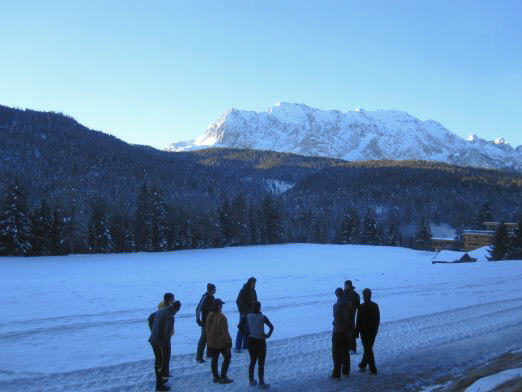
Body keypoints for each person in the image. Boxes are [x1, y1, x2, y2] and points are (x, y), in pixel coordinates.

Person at [148, 300, 181, 392]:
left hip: (154, 340)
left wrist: (153, 330)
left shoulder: (161, 310)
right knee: (160, 363)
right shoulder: (170, 316)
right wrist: (166, 341)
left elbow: (150, 317)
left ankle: (161, 380)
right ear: (177, 309)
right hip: (160, 342)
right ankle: (159, 386)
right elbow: (167, 332)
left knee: (159, 361)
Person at [246, 301, 274, 389]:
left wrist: (247, 333)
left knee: (252, 361)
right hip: (261, 341)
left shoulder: (248, 316)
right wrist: (268, 335)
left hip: (251, 341)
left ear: (252, 307)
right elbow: (271, 327)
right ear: (259, 308)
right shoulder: (262, 317)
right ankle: (261, 382)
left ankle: (251, 381)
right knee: (261, 363)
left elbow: (240, 326)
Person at [206, 299, 234, 384]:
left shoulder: (209, 315)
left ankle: (215, 377)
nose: (222, 306)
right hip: (221, 342)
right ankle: (223, 377)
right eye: (221, 305)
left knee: (214, 359)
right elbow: (224, 331)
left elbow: (206, 328)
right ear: (218, 306)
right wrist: (229, 341)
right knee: (227, 357)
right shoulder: (222, 317)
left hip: (211, 342)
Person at [331, 288, 355, 380]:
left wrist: (335, 322)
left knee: (336, 353)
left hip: (338, 331)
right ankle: (346, 371)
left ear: (337, 295)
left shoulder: (336, 305)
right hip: (346, 331)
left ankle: (336, 373)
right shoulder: (349, 304)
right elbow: (351, 317)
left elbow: (337, 318)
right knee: (345, 352)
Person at [356, 288, 380, 375]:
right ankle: (364, 365)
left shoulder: (361, 307)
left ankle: (372, 368)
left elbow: (358, 320)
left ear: (364, 296)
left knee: (367, 349)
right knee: (368, 348)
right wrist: (376, 330)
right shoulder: (375, 305)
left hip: (364, 331)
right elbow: (377, 320)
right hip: (372, 331)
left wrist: (356, 331)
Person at [235, 277, 257, 352]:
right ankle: (237, 347)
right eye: (253, 283)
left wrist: (255, 310)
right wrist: (243, 311)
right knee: (241, 329)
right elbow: (238, 301)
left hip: (251, 313)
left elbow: (255, 301)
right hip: (244, 313)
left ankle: (246, 346)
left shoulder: (253, 291)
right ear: (250, 283)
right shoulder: (244, 290)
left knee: (248, 329)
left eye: (255, 283)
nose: (254, 284)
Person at [196, 283, 216, 363]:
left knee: (210, 337)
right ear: (211, 289)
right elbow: (198, 308)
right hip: (205, 322)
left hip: (211, 321)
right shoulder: (205, 297)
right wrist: (198, 319)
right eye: (214, 289)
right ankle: (199, 357)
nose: (215, 290)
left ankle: (209, 353)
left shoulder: (212, 297)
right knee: (203, 339)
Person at [156, 293, 175, 377]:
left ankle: (163, 372)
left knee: (163, 356)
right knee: (166, 355)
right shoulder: (167, 309)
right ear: (169, 300)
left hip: (161, 334)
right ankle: (164, 373)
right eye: (172, 299)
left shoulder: (160, 305)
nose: (174, 300)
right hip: (165, 335)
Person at [343, 280, 360, 353]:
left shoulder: (353, 294)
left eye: (345, 286)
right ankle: (350, 348)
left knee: (350, 332)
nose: (344, 287)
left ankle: (351, 348)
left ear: (348, 286)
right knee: (349, 331)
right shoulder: (346, 294)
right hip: (349, 315)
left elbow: (357, 305)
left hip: (350, 315)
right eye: (344, 286)